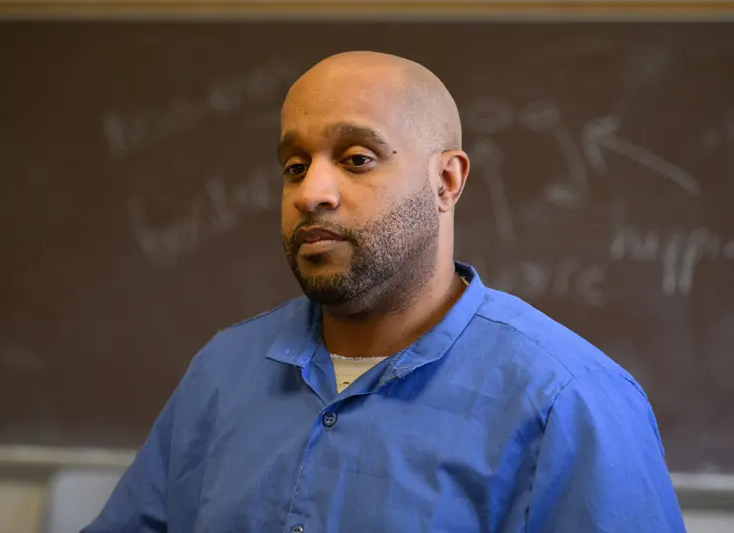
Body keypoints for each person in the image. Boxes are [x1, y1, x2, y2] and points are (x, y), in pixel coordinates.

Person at [83, 51, 686, 532]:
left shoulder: (568, 401)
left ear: (445, 181)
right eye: (294, 166)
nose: (311, 191)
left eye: (357, 158)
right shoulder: (223, 371)